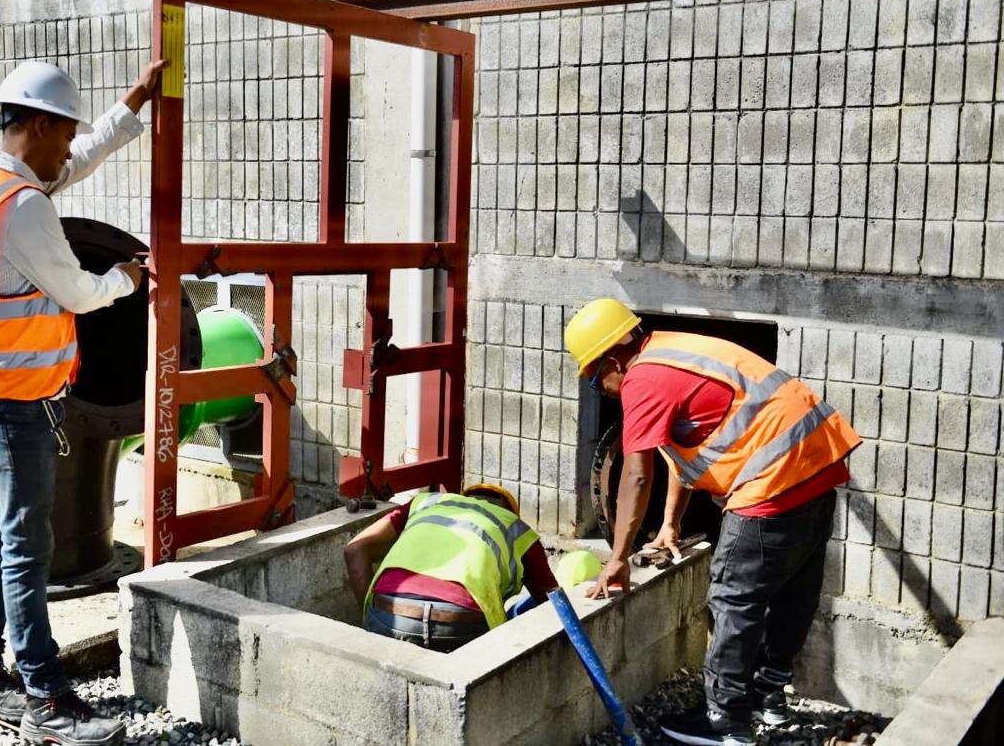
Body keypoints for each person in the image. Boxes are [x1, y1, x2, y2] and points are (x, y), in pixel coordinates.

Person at [0, 57, 167, 746]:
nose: (69, 145)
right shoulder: (26, 208)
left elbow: (79, 163)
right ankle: (45, 694)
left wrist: (132, 104)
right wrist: (127, 278)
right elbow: (77, 293)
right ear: (36, 125)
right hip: (13, 404)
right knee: (23, 546)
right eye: (63, 131)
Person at [564, 298, 861, 746]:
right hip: (817, 467)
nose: (599, 388)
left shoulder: (642, 379)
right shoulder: (672, 354)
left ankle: (725, 722)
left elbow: (637, 473)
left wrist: (618, 558)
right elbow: (684, 456)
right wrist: (670, 525)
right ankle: (770, 696)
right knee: (795, 586)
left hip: (772, 480)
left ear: (612, 360)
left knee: (732, 597)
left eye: (592, 378)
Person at [343, 483, 558, 652]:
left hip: (389, 612)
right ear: (510, 511)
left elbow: (354, 550)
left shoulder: (425, 503)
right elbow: (555, 608)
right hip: (459, 621)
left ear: (462, 498)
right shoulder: (517, 529)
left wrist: (373, 623)